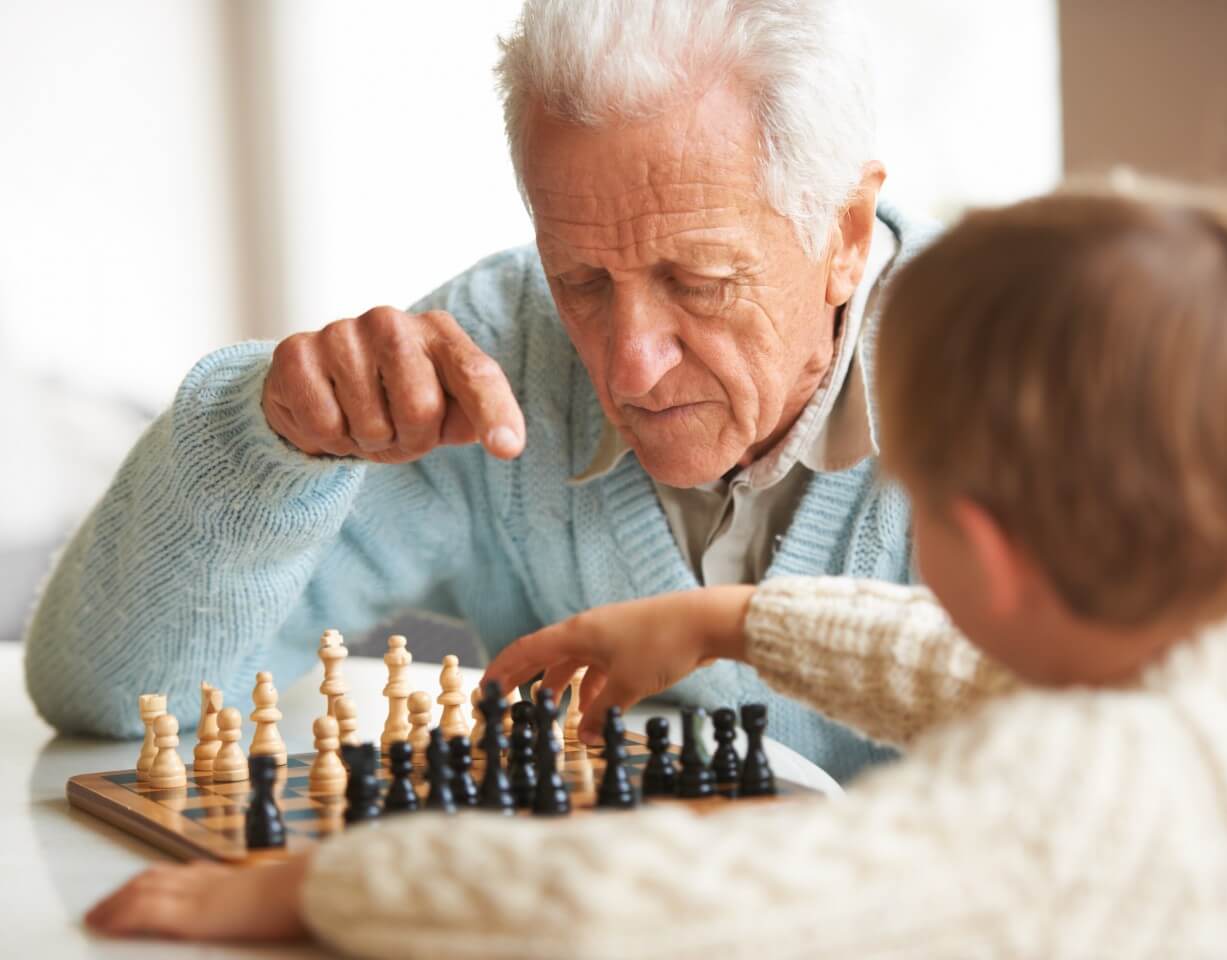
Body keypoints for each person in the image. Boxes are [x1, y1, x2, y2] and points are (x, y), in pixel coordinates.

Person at [85, 187, 1227, 957]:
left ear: (986, 546)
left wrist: (325, 892)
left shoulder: (1035, 813)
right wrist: (736, 620)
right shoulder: (1216, 670)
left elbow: (635, 906)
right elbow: (957, 664)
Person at [24, 0, 927, 781]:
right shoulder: (499, 348)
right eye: (580, 281)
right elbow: (109, 696)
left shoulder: (1023, 381)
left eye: (696, 281)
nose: (627, 369)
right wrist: (260, 445)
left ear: (844, 235)